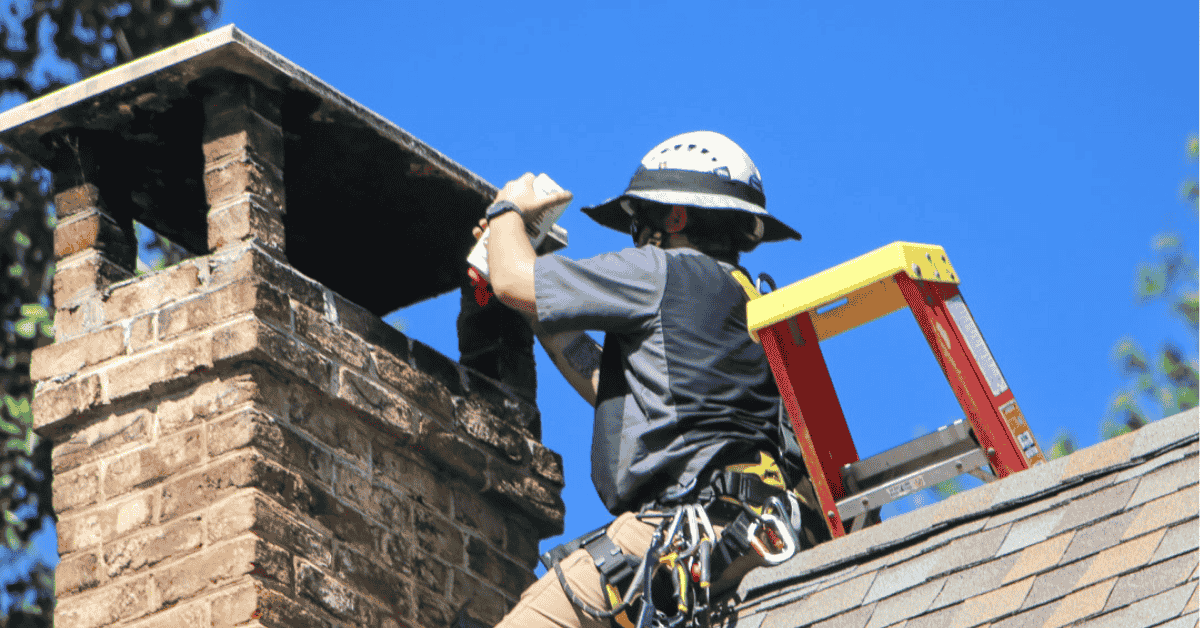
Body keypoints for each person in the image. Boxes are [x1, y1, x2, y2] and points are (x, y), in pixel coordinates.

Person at [476, 131, 816, 628]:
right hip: (754, 532)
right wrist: (537, 307)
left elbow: (510, 279)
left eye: (640, 222)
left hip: (683, 530)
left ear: (674, 218)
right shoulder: (749, 303)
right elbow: (615, 386)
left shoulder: (659, 272)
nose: (636, 236)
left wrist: (508, 212)